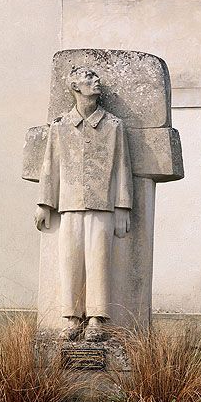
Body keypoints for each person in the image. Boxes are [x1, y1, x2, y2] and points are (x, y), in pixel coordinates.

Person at [35, 67, 133, 341]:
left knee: (99, 260)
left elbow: (122, 167)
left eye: (96, 77)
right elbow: (50, 166)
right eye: (89, 78)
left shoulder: (113, 125)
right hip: (69, 204)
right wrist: (45, 204)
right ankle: (71, 317)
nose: (96, 81)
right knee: (71, 261)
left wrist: (123, 206)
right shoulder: (60, 126)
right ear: (75, 86)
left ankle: (96, 319)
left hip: (103, 206)